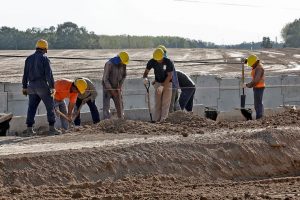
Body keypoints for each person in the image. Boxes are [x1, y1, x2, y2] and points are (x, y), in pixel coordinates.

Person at [22, 39, 61, 136]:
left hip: (31, 86)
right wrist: (52, 87)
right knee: (50, 106)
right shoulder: (44, 58)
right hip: (42, 86)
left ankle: (29, 129)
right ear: (45, 49)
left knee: (31, 108)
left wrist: (24, 86)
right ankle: (52, 129)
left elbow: (25, 74)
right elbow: (49, 74)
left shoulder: (29, 58)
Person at [143, 48, 174, 122]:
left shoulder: (168, 62)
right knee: (157, 103)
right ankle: (156, 120)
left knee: (165, 103)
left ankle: (163, 120)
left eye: (159, 59)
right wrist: (145, 78)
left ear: (163, 56)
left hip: (167, 83)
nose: (158, 61)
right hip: (157, 82)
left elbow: (170, 76)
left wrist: (163, 86)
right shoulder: (152, 61)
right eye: (156, 59)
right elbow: (145, 73)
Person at [102, 51, 129, 119]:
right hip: (107, 88)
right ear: (119, 59)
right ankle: (107, 122)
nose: (123, 64)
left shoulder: (123, 64)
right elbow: (105, 79)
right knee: (106, 107)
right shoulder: (109, 64)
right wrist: (112, 91)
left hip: (117, 88)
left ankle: (121, 119)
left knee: (120, 105)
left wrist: (120, 85)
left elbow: (124, 76)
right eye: (122, 62)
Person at [244, 54, 265, 119]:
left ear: (254, 62)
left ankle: (259, 118)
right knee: (258, 103)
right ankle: (260, 117)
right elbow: (250, 61)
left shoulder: (259, 68)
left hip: (259, 87)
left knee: (258, 104)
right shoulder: (257, 66)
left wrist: (247, 85)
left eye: (251, 64)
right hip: (257, 87)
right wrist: (245, 61)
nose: (251, 65)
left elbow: (256, 81)